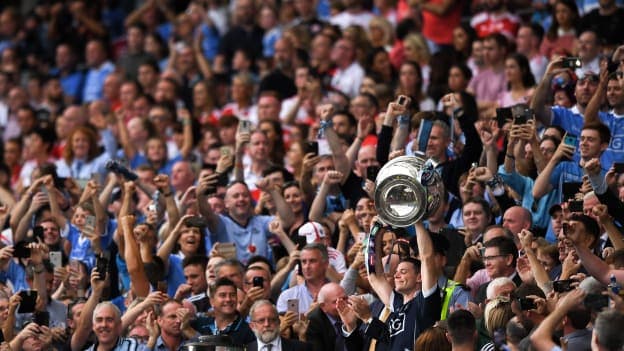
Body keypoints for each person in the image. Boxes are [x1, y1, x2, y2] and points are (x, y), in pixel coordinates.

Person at [247, 300, 313, 351]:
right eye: (261, 320)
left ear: (278, 322)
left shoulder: (301, 348)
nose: (267, 324)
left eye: (272, 319)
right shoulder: (246, 349)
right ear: (252, 326)